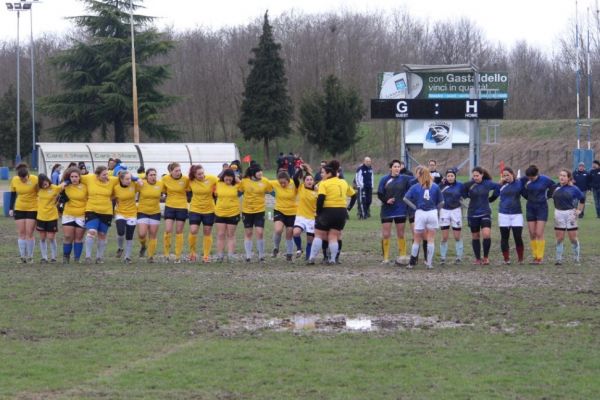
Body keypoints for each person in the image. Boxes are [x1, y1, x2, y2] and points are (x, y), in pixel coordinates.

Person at [307, 160, 356, 265]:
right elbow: (354, 195)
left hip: (328, 211)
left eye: (323, 173)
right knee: (334, 236)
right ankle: (333, 259)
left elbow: (321, 199)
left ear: (329, 173)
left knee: (318, 235)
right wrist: (348, 208)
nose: (321, 175)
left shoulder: (324, 183)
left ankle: (312, 258)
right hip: (341, 212)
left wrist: (318, 213)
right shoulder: (343, 182)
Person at [403, 167, 444, 269]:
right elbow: (442, 202)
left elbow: (405, 198)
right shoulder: (435, 186)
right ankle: (429, 263)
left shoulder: (415, 186)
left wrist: (415, 207)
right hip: (432, 213)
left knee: (417, 239)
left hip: (420, 213)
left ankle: (411, 263)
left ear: (418, 174)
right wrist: (436, 209)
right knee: (431, 239)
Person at [377, 159, 413, 265]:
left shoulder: (405, 178)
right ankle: (386, 258)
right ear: (390, 168)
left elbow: (417, 180)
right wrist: (386, 200)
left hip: (400, 210)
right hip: (387, 210)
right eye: (395, 167)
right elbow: (379, 193)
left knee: (401, 234)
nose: (397, 168)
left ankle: (403, 256)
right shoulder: (384, 179)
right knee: (386, 234)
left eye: (398, 166)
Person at [81, 166, 120, 263]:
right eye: (104, 174)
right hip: (92, 210)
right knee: (92, 231)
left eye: (107, 174)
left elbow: (125, 178)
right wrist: (66, 182)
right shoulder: (89, 178)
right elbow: (75, 176)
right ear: (97, 175)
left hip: (106, 212)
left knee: (102, 234)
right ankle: (88, 257)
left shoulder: (112, 180)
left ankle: (99, 257)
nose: (106, 176)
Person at [462, 167, 500, 265]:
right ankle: (478, 259)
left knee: (486, 234)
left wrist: (492, 198)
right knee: (475, 236)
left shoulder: (488, 183)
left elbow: (498, 187)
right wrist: (467, 195)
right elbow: (462, 190)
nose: (475, 177)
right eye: (474, 176)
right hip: (473, 213)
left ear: (482, 174)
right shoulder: (469, 184)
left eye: (477, 175)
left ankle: (486, 257)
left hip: (485, 212)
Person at [521, 165, 555, 264]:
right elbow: (519, 185)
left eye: (532, 178)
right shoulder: (525, 179)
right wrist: (526, 196)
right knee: (532, 233)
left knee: (539, 233)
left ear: (537, 174)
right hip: (530, 207)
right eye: (529, 178)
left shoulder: (545, 179)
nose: (530, 179)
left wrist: (548, 196)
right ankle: (535, 256)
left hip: (542, 208)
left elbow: (554, 186)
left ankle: (539, 257)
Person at [550, 169, 585, 265]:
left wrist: (579, 210)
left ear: (569, 178)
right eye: (560, 175)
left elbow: (582, 198)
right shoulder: (554, 187)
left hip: (570, 214)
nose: (562, 177)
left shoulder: (574, 188)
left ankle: (576, 258)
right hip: (558, 213)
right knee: (559, 238)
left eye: (564, 176)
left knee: (573, 238)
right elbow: (546, 196)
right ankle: (558, 259)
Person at [239, 164, 272, 262]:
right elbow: (238, 192)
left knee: (260, 232)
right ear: (253, 173)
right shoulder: (244, 182)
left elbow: (272, 191)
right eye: (258, 171)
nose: (260, 173)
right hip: (247, 211)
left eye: (261, 171)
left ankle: (261, 255)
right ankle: (248, 256)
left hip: (260, 211)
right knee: (248, 233)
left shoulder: (265, 181)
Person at [8, 163, 38, 263]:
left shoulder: (34, 179)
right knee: (21, 233)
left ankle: (30, 257)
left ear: (28, 175)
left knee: (29, 233)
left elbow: (41, 191)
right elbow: (13, 195)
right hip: (19, 208)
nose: (23, 180)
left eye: (24, 178)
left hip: (32, 208)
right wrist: (11, 208)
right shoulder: (15, 180)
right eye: (21, 178)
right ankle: (22, 257)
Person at [188, 164, 218, 263]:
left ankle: (206, 256)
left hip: (209, 210)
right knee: (193, 230)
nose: (201, 175)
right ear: (194, 175)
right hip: (195, 209)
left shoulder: (212, 179)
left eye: (202, 173)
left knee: (207, 232)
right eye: (199, 174)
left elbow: (222, 182)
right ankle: (192, 253)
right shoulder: (190, 181)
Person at [161, 162, 190, 263]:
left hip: (182, 207)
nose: (178, 172)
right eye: (176, 171)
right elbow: (163, 190)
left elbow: (190, 188)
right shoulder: (165, 179)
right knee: (168, 230)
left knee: (179, 231)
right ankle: (166, 254)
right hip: (169, 206)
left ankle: (178, 256)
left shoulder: (186, 179)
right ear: (170, 171)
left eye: (179, 170)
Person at [35, 174, 65, 263]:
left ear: (48, 181)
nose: (45, 185)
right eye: (43, 184)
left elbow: (64, 185)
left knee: (51, 237)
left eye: (46, 183)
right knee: (42, 238)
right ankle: (44, 257)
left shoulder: (55, 188)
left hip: (52, 216)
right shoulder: (38, 189)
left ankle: (53, 257)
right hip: (41, 216)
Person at [498, 167, 525, 264]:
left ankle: (520, 258)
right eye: (504, 175)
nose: (506, 177)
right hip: (503, 214)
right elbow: (493, 195)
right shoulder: (500, 185)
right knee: (504, 237)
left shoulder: (519, 183)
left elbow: (525, 193)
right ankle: (506, 259)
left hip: (516, 214)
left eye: (507, 175)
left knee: (518, 236)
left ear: (512, 174)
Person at [61, 167, 88, 264]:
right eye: (72, 176)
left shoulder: (85, 186)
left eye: (76, 176)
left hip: (81, 215)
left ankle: (77, 258)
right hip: (68, 214)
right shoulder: (66, 186)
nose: (74, 178)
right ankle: (66, 256)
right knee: (68, 236)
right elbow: (57, 193)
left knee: (78, 237)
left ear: (80, 177)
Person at [136, 168, 163, 263]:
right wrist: (137, 180)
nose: (153, 176)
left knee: (153, 234)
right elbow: (129, 179)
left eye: (154, 174)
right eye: (151, 175)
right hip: (142, 212)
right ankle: (143, 246)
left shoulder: (160, 184)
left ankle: (150, 256)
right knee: (142, 234)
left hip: (155, 212)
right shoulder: (141, 184)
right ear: (147, 176)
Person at [269, 171, 298, 262]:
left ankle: (289, 254)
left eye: (284, 182)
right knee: (278, 230)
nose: (282, 184)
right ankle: (276, 248)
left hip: (292, 212)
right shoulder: (275, 183)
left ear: (288, 180)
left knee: (289, 233)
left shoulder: (294, 183)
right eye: (280, 182)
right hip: (279, 210)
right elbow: (264, 182)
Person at [214, 169, 241, 262]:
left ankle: (230, 256)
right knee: (221, 234)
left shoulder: (237, 185)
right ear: (223, 177)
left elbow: (243, 185)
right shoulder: (218, 183)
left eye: (230, 179)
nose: (228, 180)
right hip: (220, 213)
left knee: (231, 235)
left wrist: (236, 178)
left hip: (233, 213)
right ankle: (220, 255)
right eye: (226, 178)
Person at [438, 168, 465, 265]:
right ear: (446, 177)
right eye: (448, 176)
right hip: (444, 211)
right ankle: (443, 257)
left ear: (455, 176)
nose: (450, 178)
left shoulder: (460, 185)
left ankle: (458, 257)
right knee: (444, 237)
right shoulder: (441, 185)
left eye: (452, 176)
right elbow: (435, 193)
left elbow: (465, 194)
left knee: (457, 236)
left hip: (456, 211)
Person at [292, 164, 318, 260]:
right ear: (304, 181)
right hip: (301, 216)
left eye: (311, 180)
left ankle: (308, 257)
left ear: (313, 181)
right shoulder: (301, 187)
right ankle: (299, 248)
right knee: (296, 233)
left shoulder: (317, 192)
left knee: (310, 241)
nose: (309, 181)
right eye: (307, 180)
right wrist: (300, 169)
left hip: (312, 218)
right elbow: (295, 178)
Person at [113, 170, 139, 264]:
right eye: (127, 179)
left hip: (132, 214)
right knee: (120, 232)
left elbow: (143, 183)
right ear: (121, 179)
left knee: (129, 235)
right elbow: (112, 199)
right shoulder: (116, 188)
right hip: (120, 213)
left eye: (130, 178)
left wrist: (138, 179)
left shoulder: (134, 185)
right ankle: (120, 248)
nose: (129, 180)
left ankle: (127, 257)